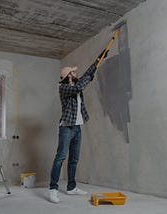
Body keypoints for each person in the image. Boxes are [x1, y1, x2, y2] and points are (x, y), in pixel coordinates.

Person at [48, 51, 108, 203]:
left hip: (77, 128)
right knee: (60, 157)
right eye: (73, 72)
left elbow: (87, 73)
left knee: (74, 159)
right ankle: (53, 189)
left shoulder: (76, 83)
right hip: (66, 127)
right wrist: (88, 78)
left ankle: (71, 187)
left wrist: (98, 59)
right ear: (68, 75)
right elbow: (79, 87)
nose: (76, 73)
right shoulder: (64, 88)